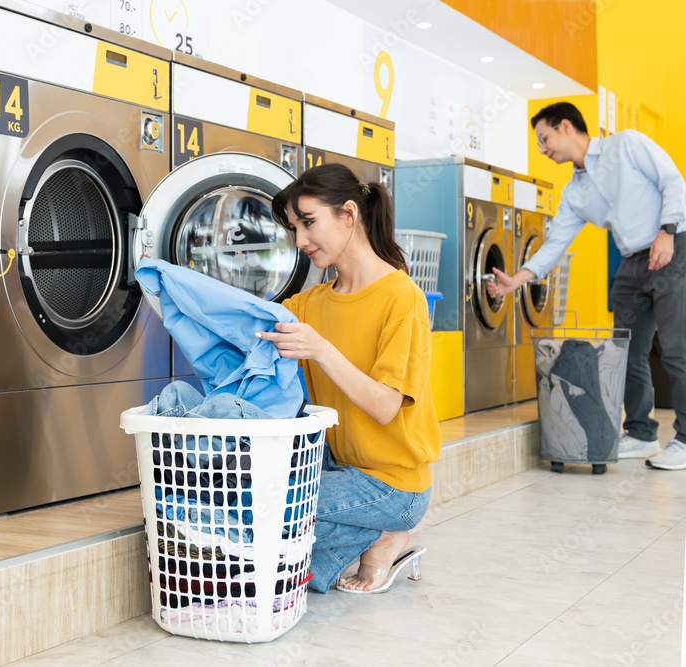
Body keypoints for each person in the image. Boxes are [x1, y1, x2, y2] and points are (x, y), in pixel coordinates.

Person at [256, 163, 441, 594]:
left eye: (308, 222)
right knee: (259, 521)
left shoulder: (402, 299)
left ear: (349, 215)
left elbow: (385, 406)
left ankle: (384, 532)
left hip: (393, 484)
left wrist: (320, 349)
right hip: (336, 469)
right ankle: (369, 540)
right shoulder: (308, 304)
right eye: (293, 228)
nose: (300, 241)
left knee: (270, 508)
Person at [487, 102, 686, 470]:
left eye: (544, 138)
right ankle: (642, 434)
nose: (543, 149)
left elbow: (672, 180)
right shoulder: (573, 193)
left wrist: (668, 231)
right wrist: (517, 280)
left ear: (566, 126)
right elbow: (554, 244)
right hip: (631, 263)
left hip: (671, 247)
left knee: (677, 348)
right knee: (626, 351)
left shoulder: (625, 144)